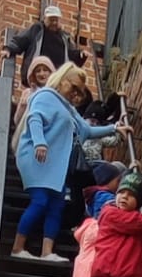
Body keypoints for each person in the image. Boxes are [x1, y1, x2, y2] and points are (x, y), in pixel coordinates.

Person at [10, 63, 126, 262]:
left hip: (55, 163)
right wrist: (39, 142)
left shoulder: (68, 108)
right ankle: (18, 247)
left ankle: (47, 251)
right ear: (62, 80)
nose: (75, 94)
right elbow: (35, 118)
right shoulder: (46, 96)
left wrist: (114, 128)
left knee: (56, 205)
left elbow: (87, 131)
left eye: (79, 91)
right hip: (37, 158)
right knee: (40, 201)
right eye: (73, 87)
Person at [3, 5, 85, 85]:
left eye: (56, 20)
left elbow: (71, 56)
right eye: (51, 20)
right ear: (45, 19)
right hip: (38, 77)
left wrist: (81, 55)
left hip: (57, 80)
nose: (54, 23)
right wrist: (9, 49)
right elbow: (21, 40)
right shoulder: (37, 30)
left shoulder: (65, 37)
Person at [10, 54, 55, 155]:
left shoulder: (56, 94)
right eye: (38, 71)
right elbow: (17, 120)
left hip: (48, 137)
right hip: (28, 137)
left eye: (45, 70)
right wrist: (22, 106)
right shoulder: (28, 93)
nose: (42, 73)